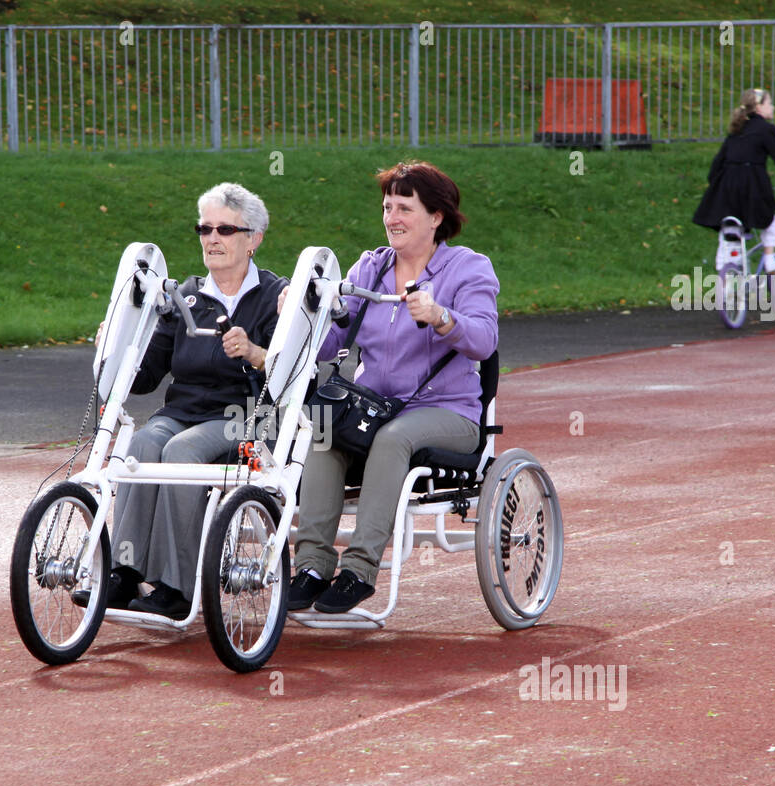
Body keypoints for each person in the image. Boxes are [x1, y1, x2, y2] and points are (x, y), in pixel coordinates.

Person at [289, 161, 499, 614]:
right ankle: (310, 566)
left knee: (392, 437)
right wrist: (304, 313)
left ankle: (359, 570)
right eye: (387, 207)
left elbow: (483, 340)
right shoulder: (371, 267)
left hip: (449, 413)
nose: (392, 217)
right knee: (324, 434)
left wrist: (442, 317)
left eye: (405, 207)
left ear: (436, 216)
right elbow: (330, 345)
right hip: (373, 408)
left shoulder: (468, 269)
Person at [78, 182, 287, 619]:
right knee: (140, 446)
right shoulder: (184, 296)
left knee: (181, 451)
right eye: (204, 228)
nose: (212, 238)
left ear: (254, 238)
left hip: (244, 415)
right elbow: (146, 375)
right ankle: (126, 570)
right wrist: (114, 350)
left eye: (225, 229)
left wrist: (254, 352)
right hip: (183, 411)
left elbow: (294, 375)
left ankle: (179, 582)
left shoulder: (275, 296)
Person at [692, 88, 775, 272]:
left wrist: (717, 186)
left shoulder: (736, 129)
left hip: (726, 186)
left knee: (729, 227)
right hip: (752, 184)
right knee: (770, 224)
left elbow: (717, 163)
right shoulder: (766, 130)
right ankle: (769, 260)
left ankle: (724, 271)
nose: (773, 107)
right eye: (769, 103)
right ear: (759, 107)